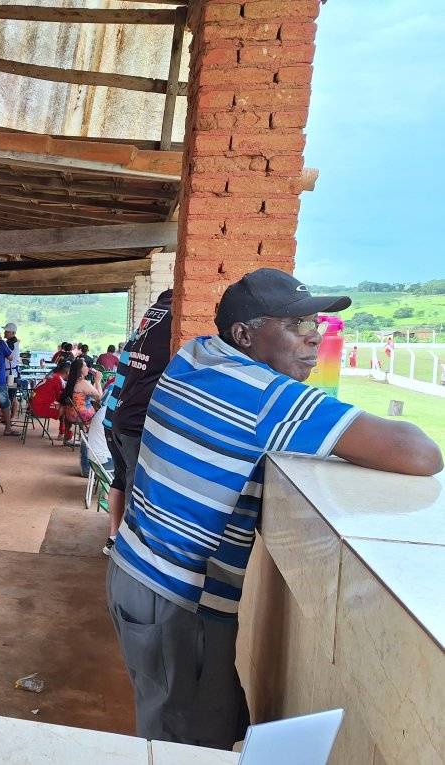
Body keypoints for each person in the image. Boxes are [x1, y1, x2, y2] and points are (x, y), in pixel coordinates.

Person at [107, 270, 442, 751]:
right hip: (177, 600)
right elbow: (420, 454)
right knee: (186, 745)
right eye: (295, 324)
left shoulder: (195, 356)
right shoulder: (265, 396)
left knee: (199, 721)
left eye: (315, 323)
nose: (314, 336)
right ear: (243, 335)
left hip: (137, 574)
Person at [101, 290, 173, 557]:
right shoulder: (171, 323)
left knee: (122, 479)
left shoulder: (143, 328)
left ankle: (114, 538)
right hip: (135, 422)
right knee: (135, 486)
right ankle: (128, 551)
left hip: (115, 416)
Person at [58, 358, 103, 445]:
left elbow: (91, 392)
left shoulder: (71, 382)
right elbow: (99, 397)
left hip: (70, 415)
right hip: (82, 416)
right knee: (101, 414)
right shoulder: (83, 383)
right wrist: (98, 381)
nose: (88, 368)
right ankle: (90, 440)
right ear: (80, 370)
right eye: (85, 366)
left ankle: (69, 438)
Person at [3, 322, 22, 421]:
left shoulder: (12, 343)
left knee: (12, 395)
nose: (5, 333)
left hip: (11, 374)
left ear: (13, 333)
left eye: (7, 331)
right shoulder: (10, 342)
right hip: (8, 373)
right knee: (7, 395)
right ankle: (5, 416)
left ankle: (13, 416)